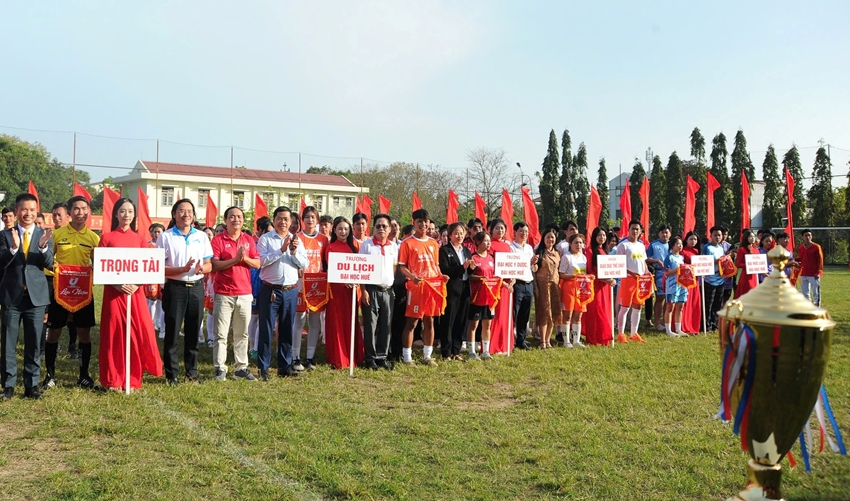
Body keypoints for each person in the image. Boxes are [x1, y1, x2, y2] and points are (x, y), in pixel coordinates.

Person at [97, 198, 163, 391]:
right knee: (113, 333)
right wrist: (116, 284)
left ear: (135, 215)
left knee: (135, 333)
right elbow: (101, 267)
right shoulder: (106, 238)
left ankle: (133, 378)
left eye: (130, 212)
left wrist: (137, 284)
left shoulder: (141, 240)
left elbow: (148, 268)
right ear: (116, 214)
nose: (126, 215)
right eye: (122, 211)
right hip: (113, 294)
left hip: (135, 294)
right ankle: (112, 379)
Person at [1, 193, 53, 400]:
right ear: (16, 211)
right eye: (24, 209)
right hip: (11, 297)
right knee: (8, 342)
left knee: (33, 344)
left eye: (32, 210)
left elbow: (49, 263)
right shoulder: (4, 235)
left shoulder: (44, 234)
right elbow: (1, 262)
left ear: (36, 211)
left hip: (36, 298)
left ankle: (31, 386)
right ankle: (8, 385)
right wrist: (13, 248)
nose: (28, 213)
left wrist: (41, 247)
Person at [44, 195, 99, 390]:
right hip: (61, 291)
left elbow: (100, 265)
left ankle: (84, 376)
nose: (80, 213)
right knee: (53, 333)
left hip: (84, 293)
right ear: (69, 212)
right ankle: (50, 376)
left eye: (84, 209)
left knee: (84, 332)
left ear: (88, 211)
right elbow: (48, 261)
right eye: (76, 209)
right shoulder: (57, 235)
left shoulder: (94, 238)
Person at [157, 199, 213, 386]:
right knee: (172, 333)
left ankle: (192, 373)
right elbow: (159, 267)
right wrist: (181, 269)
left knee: (193, 332)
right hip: (175, 288)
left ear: (194, 216)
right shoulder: (165, 237)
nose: (186, 214)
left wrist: (201, 269)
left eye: (189, 211)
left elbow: (209, 264)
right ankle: (172, 375)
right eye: (181, 211)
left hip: (196, 288)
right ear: (174, 214)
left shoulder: (201, 236)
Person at [210, 206, 260, 382]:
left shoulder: (248, 239)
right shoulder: (218, 240)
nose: (236, 219)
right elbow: (215, 266)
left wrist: (244, 259)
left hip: (244, 293)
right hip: (223, 293)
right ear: (226, 220)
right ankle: (220, 368)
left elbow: (257, 263)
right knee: (221, 334)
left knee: (242, 333)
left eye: (239, 216)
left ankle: (241, 367)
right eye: (232, 216)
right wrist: (234, 260)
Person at [257, 206, 308, 380]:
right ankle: (263, 368)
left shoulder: (297, 241)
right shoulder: (265, 239)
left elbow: (304, 264)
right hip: (270, 289)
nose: (283, 222)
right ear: (274, 220)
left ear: (291, 222)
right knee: (266, 329)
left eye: (286, 219)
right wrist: (280, 250)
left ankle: (284, 366)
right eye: (279, 218)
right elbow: (261, 261)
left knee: (287, 329)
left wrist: (293, 252)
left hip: (290, 291)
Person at [398, 209, 447, 366]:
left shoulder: (434, 243)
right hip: (416, 287)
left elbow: (436, 266)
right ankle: (407, 357)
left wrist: (441, 276)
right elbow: (402, 267)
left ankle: (427, 355)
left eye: (425, 221)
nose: (423, 224)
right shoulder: (407, 243)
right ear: (414, 223)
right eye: (419, 221)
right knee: (412, 322)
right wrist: (412, 277)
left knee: (430, 321)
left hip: (432, 287)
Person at [322, 217, 364, 369]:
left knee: (351, 322)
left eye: (346, 229)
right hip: (336, 291)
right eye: (340, 229)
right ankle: (338, 357)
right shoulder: (330, 247)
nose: (343, 232)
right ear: (334, 230)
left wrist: (356, 280)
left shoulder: (355, 248)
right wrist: (343, 279)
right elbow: (332, 269)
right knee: (337, 323)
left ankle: (354, 355)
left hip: (351, 291)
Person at [292, 206, 329, 371]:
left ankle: (310, 357)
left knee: (315, 321)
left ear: (317, 220)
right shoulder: (297, 237)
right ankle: (295, 357)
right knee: (299, 320)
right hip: (300, 283)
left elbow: (326, 262)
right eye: (307, 217)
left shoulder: (324, 239)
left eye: (313, 217)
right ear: (302, 219)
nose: (310, 220)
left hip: (318, 284)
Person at [359, 214, 398, 369]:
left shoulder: (393, 247)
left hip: (387, 291)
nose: (381, 229)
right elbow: (361, 270)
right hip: (371, 290)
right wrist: (364, 291)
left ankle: (382, 357)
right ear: (373, 228)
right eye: (378, 226)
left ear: (389, 229)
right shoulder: (367, 246)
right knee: (370, 325)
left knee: (386, 325)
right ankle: (370, 358)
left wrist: (389, 284)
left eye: (384, 226)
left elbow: (394, 268)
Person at [45, 202, 78, 358]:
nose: (56, 218)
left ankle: (72, 346)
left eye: (59, 215)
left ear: (67, 216)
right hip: (51, 279)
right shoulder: (50, 234)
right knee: (51, 316)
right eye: (54, 215)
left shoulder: (75, 234)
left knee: (72, 315)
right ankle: (50, 345)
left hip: (71, 280)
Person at [437, 221, 472, 360]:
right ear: (450, 235)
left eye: (462, 233)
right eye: (456, 233)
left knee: (461, 320)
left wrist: (471, 267)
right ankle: (446, 352)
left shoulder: (466, 250)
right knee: (448, 321)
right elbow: (445, 270)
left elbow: (468, 270)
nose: (459, 236)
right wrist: (462, 267)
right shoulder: (445, 250)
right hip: (451, 289)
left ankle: (456, 351)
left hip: (464, 288)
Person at [615, 220, 650, 343]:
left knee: (638, 306)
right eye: (632, 229)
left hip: (640, 280)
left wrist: (647, 272)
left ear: (640, 231)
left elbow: (643, 262)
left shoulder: (641, 245)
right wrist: (631, 273)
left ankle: (634, 333)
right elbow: (619, 264)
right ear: (628, 230)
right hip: (628, 280)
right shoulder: (623, 245)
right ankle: (621, 334)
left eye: (637, 229)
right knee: (625, 307)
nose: (635, 231)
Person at [466, 231, 496, 360]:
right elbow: (468, 276)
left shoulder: (491, 258)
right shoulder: (473, 258)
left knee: (487, 324)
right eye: (485, 241)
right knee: (474, 325)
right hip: (477, 297)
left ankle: (486, 351)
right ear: (478, 242)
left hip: (489, 297)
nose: (488, 243)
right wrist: (479, 278)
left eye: (489, 241)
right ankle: (472, 351)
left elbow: (495, 275)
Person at [486, 218, 514, 354]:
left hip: (507, 286)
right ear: (491, 230)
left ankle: (505, 345)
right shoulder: (489, 245)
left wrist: (513, 278)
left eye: (502, 228)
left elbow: (512, 265)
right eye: (497, 228)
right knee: (495, 316)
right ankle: (493, 345)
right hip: (495, 285)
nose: (500, 230)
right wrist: (501, 282)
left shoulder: (508, 246)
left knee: (506, 315)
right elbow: (490, 266)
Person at [584, 227, 614, 346]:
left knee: (605, 311)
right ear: (594, 237)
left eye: (604, 235)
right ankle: (593, 338)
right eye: (599, 235)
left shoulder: (605, 251)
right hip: (595, 286)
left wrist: (610, 279)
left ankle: (604, 337)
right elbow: (590, 271)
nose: (602, 238)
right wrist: (605, 279)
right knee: (596, 312)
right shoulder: (590, 251)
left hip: (605, 287)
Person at [510, 222, 537, 350]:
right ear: (515, 232)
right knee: (514, 313)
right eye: (521, 231)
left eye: (526, 231)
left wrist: (533, 263)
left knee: (525, 315)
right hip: (517, 283)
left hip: (529, 282)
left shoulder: (529, 248)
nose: (524, 234)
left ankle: (522, 340)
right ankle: (511, 340)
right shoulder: (511, 248)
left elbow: (532, 267)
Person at [532, 228, 560, 349]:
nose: (550, 239)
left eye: (552, 237)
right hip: (543, 285)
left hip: (555, 285)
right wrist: (533, 264)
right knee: (544, 312)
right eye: (548, 237)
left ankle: (548, 340)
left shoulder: (557, 253)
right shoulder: (539, 252)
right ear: (544, 239)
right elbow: (534, 270)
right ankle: (542, 340)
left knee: (553, 312)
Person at [558, 233, 588, 348]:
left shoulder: (583, 257)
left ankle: (576, 340)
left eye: (580, 242)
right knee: (567, 315)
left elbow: (584, 273)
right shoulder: (566, 257)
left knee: (578, 315)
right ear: (570, 244)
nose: (578, 245)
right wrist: (574, 276)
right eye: (576, 242)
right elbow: (562, 274)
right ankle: (566, 341)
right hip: (569, 288)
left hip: (581, 288)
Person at [702, 227, 727, 332]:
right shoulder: (707, 248)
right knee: (709, 304)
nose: (717, 237)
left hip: (720, 279)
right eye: (715, 235)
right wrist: (718, 261)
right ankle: (706, 325)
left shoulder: (721, 248)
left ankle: (715, 324)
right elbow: (704, 263)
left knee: (718, 303)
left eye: (719, 235)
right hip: (709, 279)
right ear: (710, 236)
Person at [646, 225, 671, 331]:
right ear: (658, 234)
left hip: (672, 274)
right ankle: (657, 323)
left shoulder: (673, 244)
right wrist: (656, 261)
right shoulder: (654, 245)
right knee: (660, 298)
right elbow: (646, 258)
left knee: (669, 299)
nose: (664, 234)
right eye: (662, 232)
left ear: (670, 234)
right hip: (660, 274)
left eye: (666, 232)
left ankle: (666, 322)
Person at [663, 236, 687, 337]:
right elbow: (667, 273)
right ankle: (668, 330)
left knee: (680, 306)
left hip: (682, 285)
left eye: (681, 244)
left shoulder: (681, 258)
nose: (680, 246)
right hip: (672, 286)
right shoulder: (669, 257)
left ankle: (678, 329)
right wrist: (678, 270)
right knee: (670, 307)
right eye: (678, 244)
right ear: (672, 245)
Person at [680, 232, 702, 335]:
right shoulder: (683, 251)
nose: (693, 241)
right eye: (691, 239)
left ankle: (694, 325)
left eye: (695, 239)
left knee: (694, 302)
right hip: (686, 280)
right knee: (686, 302)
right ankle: (684, 325)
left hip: (696, 279)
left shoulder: (698, 251)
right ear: (686, 240)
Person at [796, 229, 823, 305]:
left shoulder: (816, 247)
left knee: (816, 292)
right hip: (803, 273)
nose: (807, 237)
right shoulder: (801, 247)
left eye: (809, 235)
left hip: (813, 274)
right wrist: (791, 259)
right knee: (805, 293)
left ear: (811, 236)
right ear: (802, 237)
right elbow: (801, 258)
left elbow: (820, 260)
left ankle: (817, 308)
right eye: (805, 235)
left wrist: (818, 272)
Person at [735, 229, 759, 298]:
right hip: (746, 276)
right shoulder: (742, 249)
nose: (752, 238)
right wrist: (749, 265)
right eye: (750, 237)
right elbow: (738, 264)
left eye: (754, 236)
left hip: (755, 275)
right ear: (746, 238)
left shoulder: (756, 250)